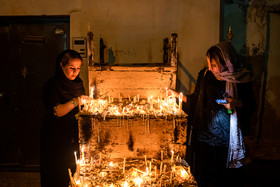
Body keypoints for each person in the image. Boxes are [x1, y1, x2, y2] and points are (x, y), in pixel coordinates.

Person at [169, 41, 256, 187]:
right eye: (209, 64)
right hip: (204, 140)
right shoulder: (205, 76)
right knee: (204, 177)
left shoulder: (241, 80)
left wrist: (235, 103)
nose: (210, 68)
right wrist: (176, 95)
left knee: (225, 180)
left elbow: (250, 106)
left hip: (227, 144)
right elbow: (195, 100)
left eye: (214, 65)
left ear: (227, 63)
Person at [40, 49, 88, 187]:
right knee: (57, 173)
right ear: (61, 65)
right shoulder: (52, 85)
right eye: (71, 68)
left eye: (78, 68)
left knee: (73, 172)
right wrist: (76, 101)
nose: (75, 72)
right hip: (55, 137)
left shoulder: (78, 84)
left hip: (72, 135)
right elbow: (57, 111)